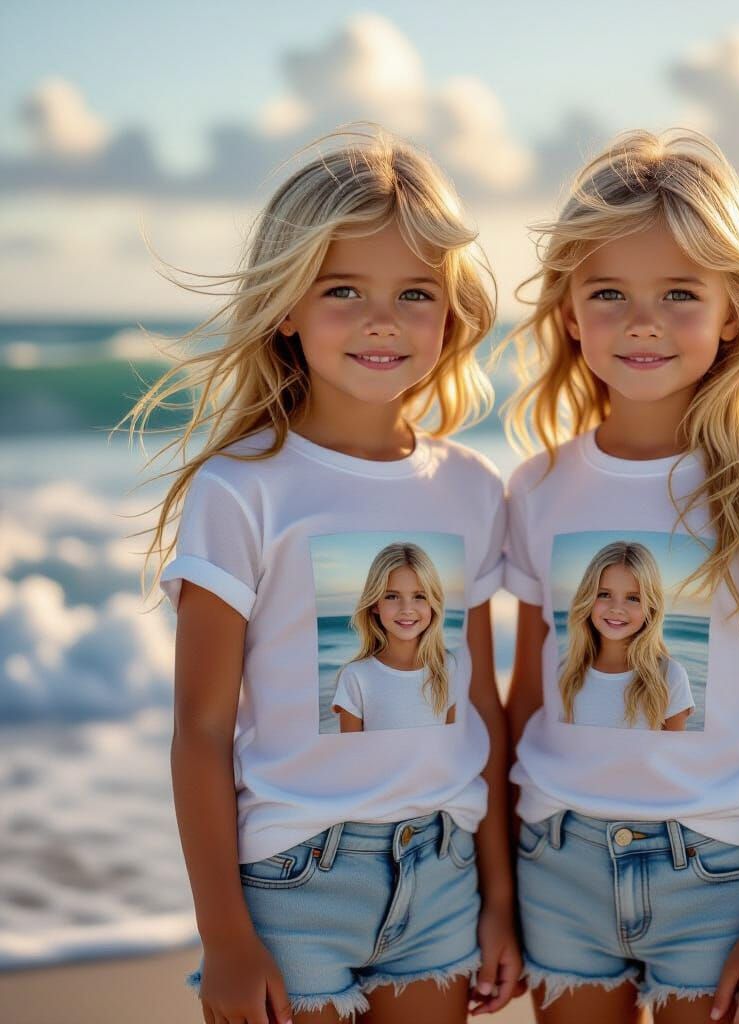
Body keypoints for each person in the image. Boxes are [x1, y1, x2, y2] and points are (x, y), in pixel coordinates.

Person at [125, 125, 521, 1023]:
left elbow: (483, 709)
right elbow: (199, 730)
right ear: (287, 308)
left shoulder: (471, 488)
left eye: (414, 293)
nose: (382, 319)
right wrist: (225, 935)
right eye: (343, 289)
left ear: (450, 315)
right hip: (292, 883)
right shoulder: (241, 490)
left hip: (443, 873)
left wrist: (500, 899)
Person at [498, 128, 739, 1024]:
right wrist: (494, 892)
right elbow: (520, 705)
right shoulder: (537, 487)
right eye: (609, 292)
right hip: (555, 859)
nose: (643, 320)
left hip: (715, 872)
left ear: (734, 311)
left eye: (680, 294)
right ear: (570, 312)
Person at [558, 540, 694, 730]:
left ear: (651, 608)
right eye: (604, 594)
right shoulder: (564, 673)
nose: (616, 609)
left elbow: (675, 755)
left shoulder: (670, 676)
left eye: (633, 598)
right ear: (587, 598)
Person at [332, 542, 458, 732]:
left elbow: (452, 746)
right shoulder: (355, 676)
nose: (407, 609)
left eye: (420, 596)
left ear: (433, 604)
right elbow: (350, 757)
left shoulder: (448, 667)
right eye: (392, 596)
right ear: (375, 604)